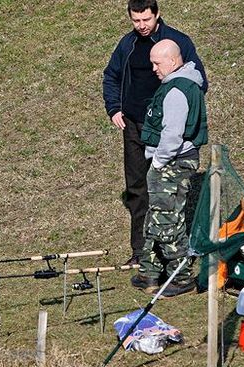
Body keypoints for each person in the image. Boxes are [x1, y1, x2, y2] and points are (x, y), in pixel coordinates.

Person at [102, 0, 207, 266]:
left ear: (157, 14)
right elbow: (111, 75)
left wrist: (178, 116)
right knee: (137, 188)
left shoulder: (177, 42)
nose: (141, 26)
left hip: (167, 130)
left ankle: (171, 254)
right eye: (136, 21)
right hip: (134, 126)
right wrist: (114, 108)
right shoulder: (127, 44)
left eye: (146, 20)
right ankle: (141, 253)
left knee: (166, 192)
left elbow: (198, 80)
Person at [130, 39, 208, 297]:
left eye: (157, 62)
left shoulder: (177, 91)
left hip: (172, 162)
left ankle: (180, 275)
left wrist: (159, 162)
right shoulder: (178, 86)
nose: (153, 68)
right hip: (169, 161)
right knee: (155, 216)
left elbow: (172, 135)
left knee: (167, 221)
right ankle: (150, 271)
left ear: (173, 61)